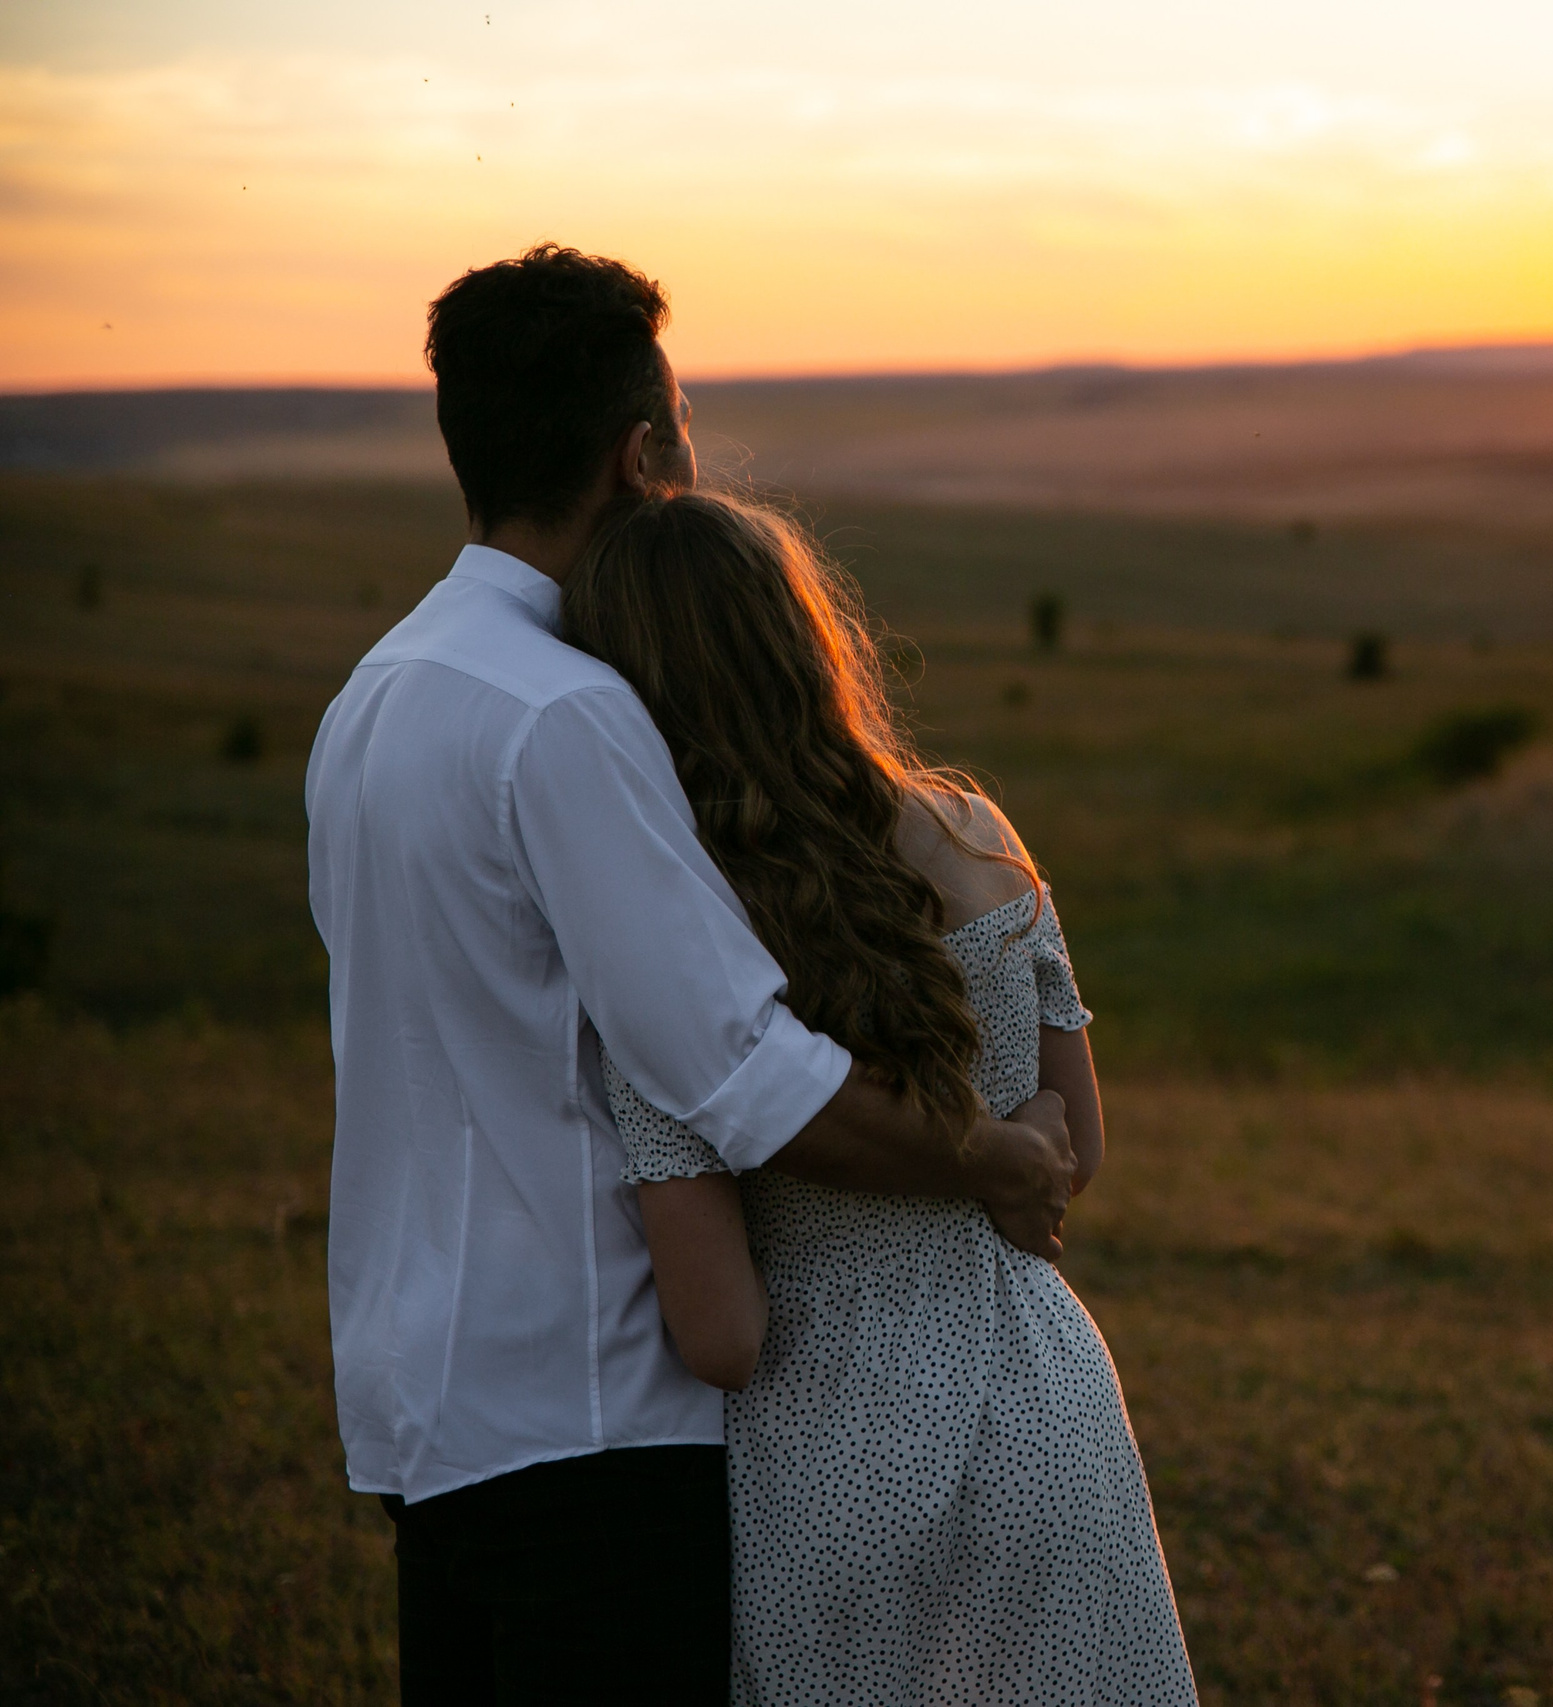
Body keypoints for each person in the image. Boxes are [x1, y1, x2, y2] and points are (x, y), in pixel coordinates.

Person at [305, 244, 1076, 1705]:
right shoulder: (573, 715)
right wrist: (993, 1155)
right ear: (641, 452)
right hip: (595, 1427)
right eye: (686, 427)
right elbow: (742, 1075)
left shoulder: (377, 694)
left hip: (431, 1411)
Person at [558, 491, 1198, 1705]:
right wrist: (1009, 1156)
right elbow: (1081, 1146)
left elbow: (724, 1338)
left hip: (830, 1454)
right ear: (805, 637)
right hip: (1048, 1403)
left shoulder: (679, 948)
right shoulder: (975, 829)